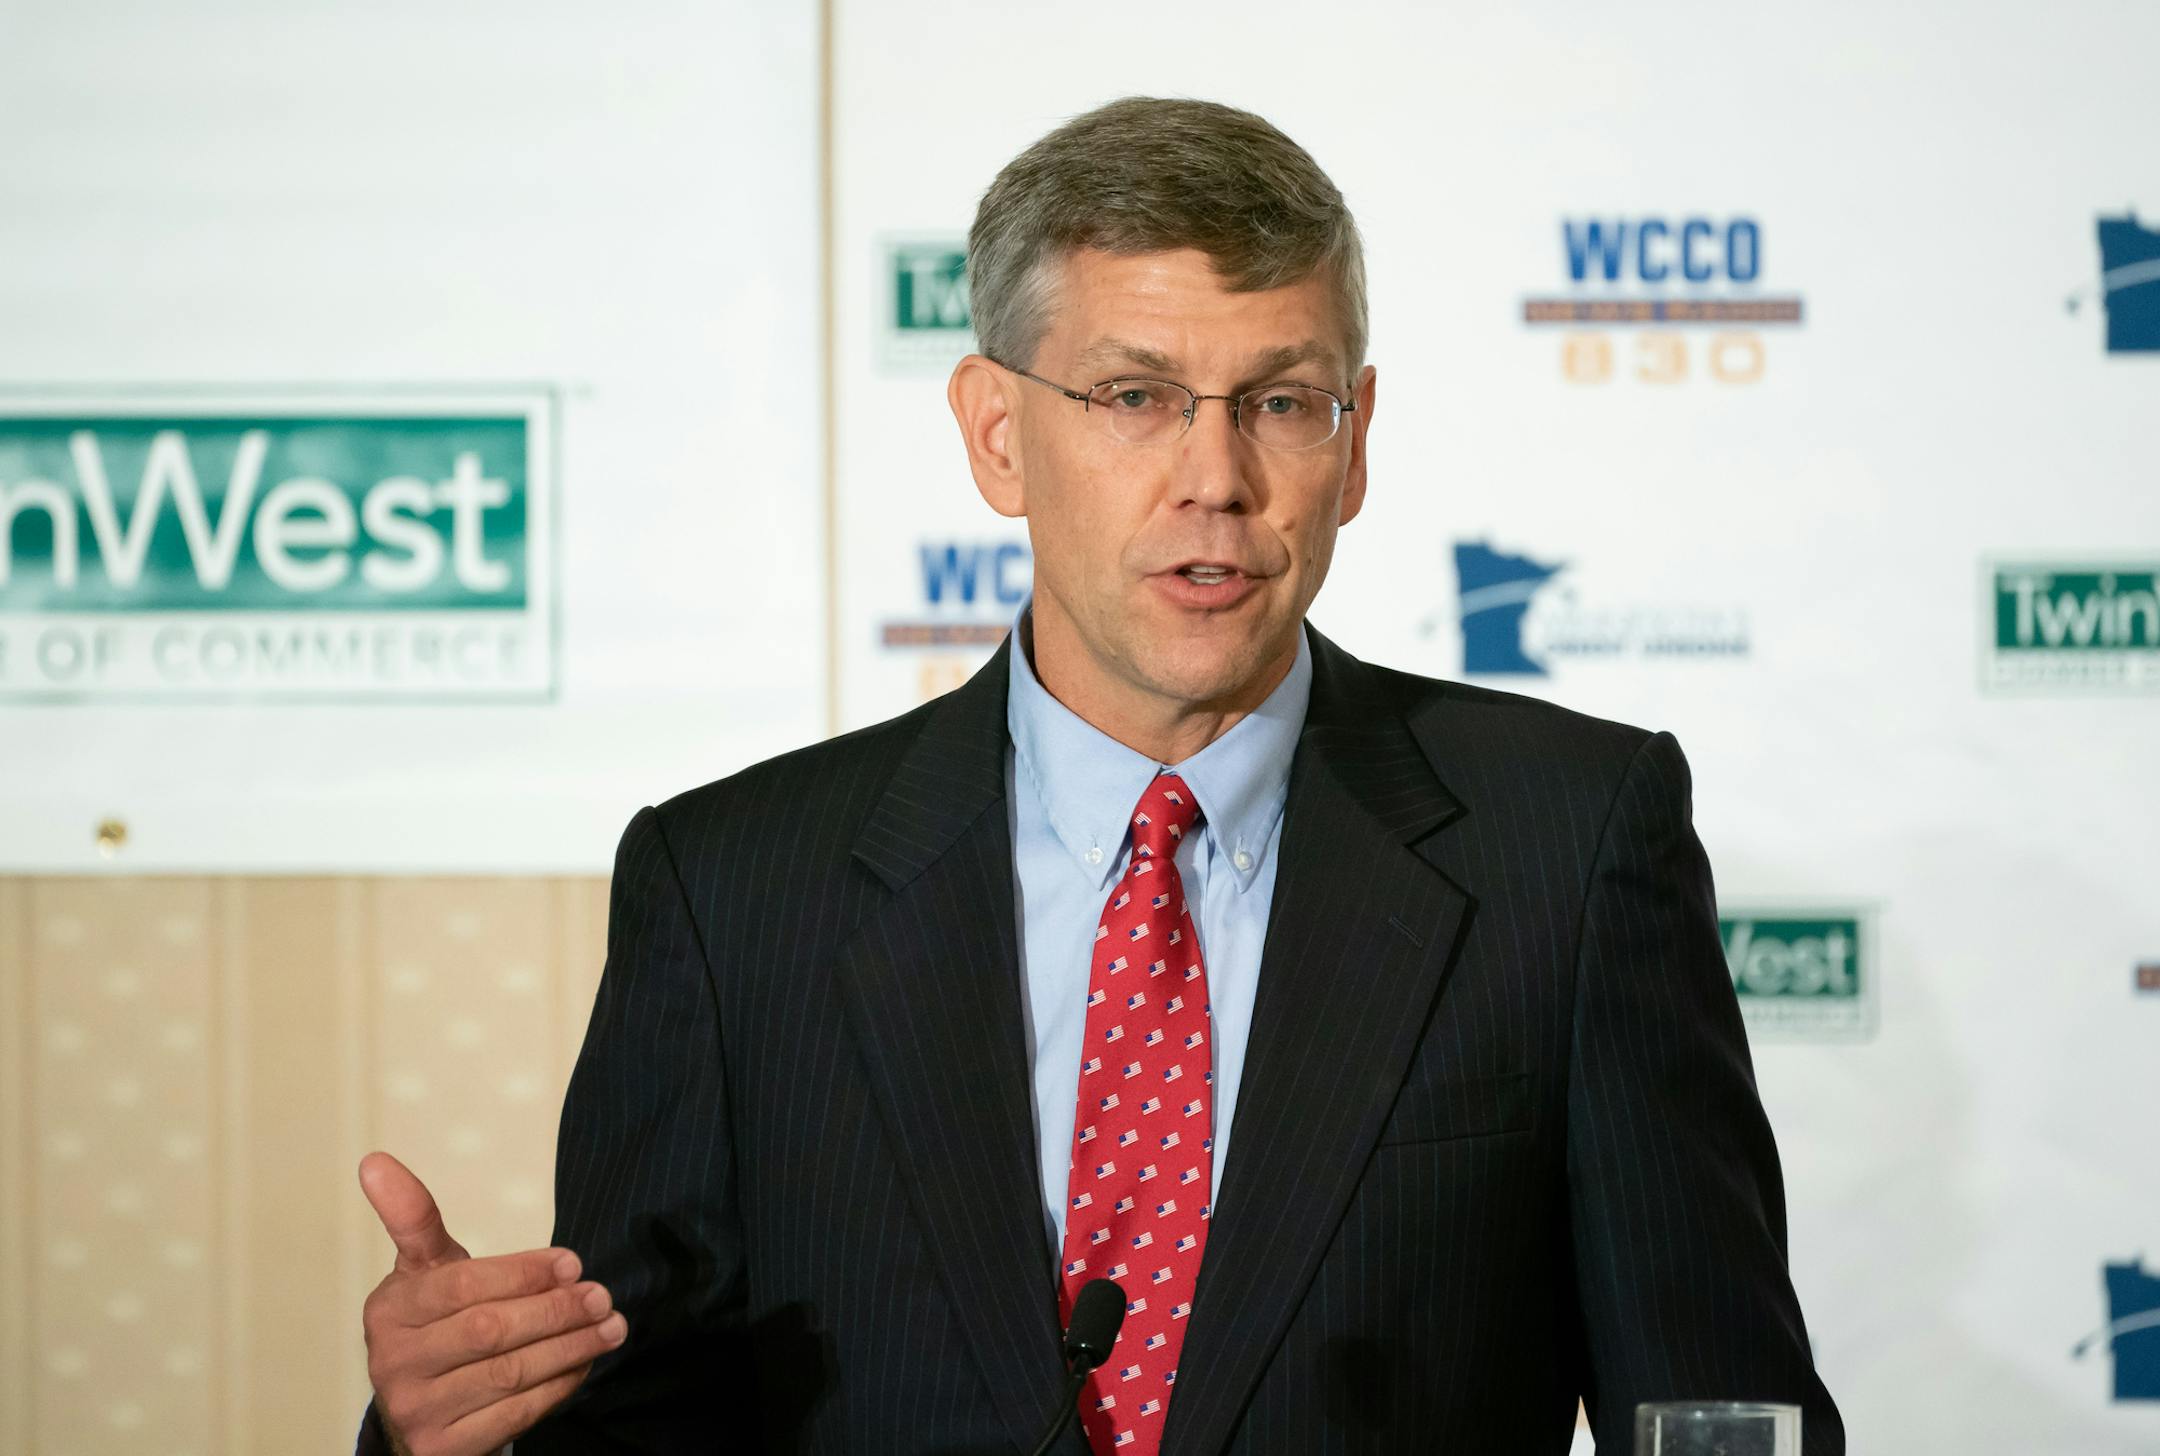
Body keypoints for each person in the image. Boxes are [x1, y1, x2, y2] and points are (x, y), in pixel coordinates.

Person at [353, 96, 1844, 1455]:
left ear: (1357, 440)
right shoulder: (735, 889)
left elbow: (1715, 1414)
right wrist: (453, 1431)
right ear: (998, 435)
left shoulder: (1571, 847)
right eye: (1135, 397)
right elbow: (631, 1431)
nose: (1217, 477)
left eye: (1281, 401)